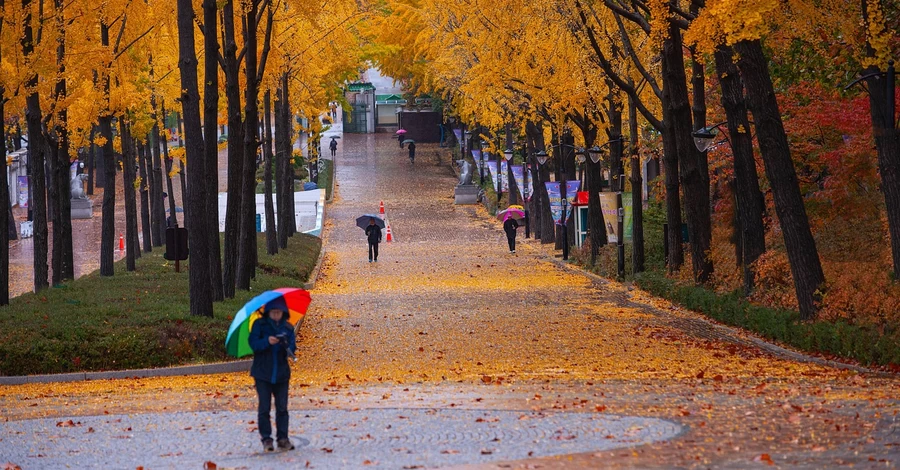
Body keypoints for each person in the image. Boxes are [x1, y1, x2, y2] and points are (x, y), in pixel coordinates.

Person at [248, 305, 297, 452]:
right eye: (274, 312)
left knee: (282, 408)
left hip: (281, 373)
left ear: (283, 313)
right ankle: (266, 439)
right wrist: (266, 342)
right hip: (262, 373)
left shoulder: (288, 327)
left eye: (279, 312)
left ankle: (283, 438)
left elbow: (293, 348)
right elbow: (253, 344)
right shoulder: (259, 325)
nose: (276, 315)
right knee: (264, 407)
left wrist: (285, 344)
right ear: (268, 312)